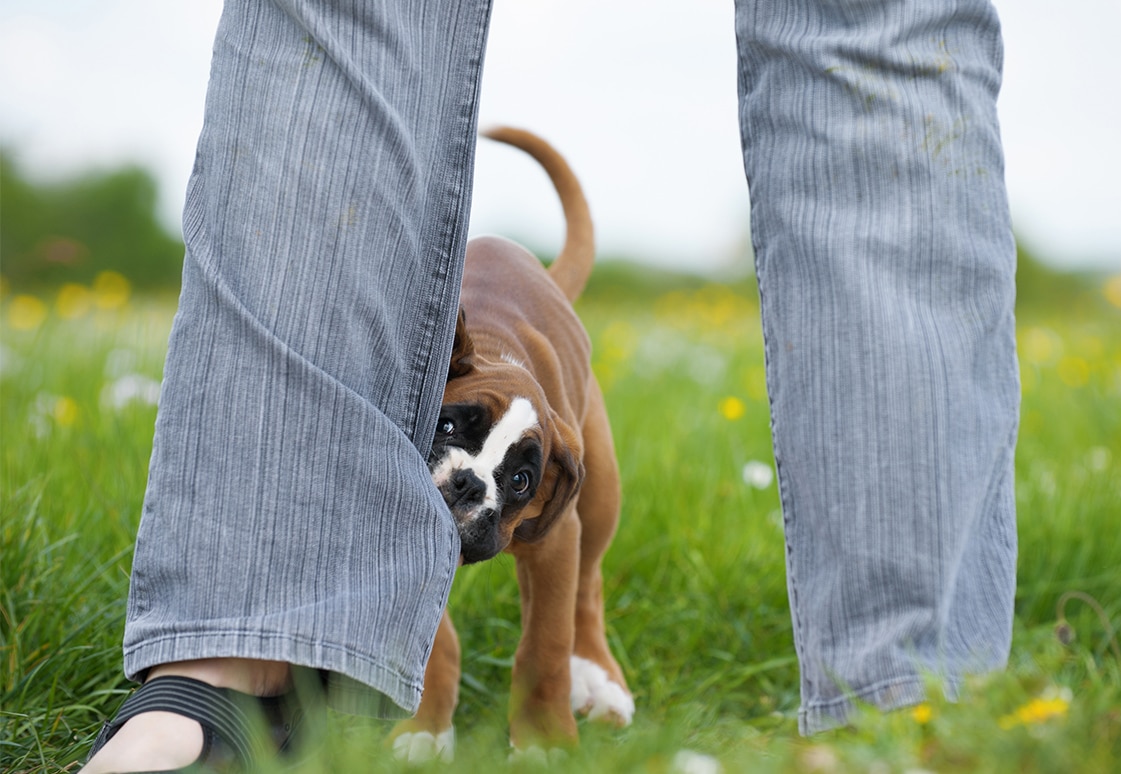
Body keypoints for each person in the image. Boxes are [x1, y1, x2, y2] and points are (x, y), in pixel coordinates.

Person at [82, 0, 1018, 768]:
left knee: (878, 24)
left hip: (540, 358)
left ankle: (887, 703)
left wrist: (554, 642)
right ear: (440, 378)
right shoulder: (451, 368)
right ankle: (251, 655)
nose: (468, 481)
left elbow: (552, 515)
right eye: (455, 435)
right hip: (476, 334)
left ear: (544, 474)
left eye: (513, 481)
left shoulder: (555, 456)